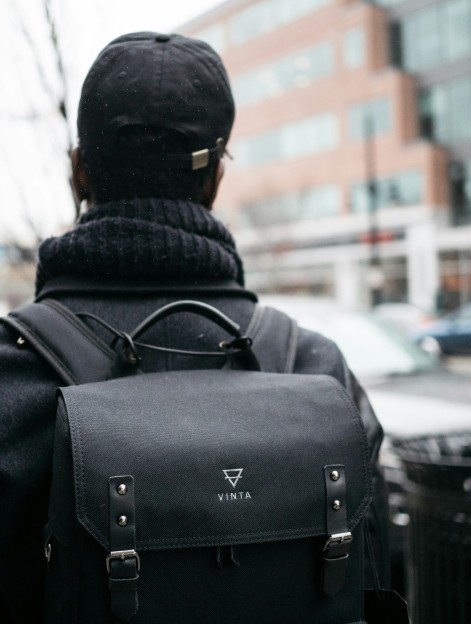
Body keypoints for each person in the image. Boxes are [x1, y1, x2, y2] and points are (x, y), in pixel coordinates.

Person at [0, 32, 389, 622]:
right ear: (214, 181)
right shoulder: (316, 368)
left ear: (79, 169)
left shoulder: (12, 370)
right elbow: (375, 581)